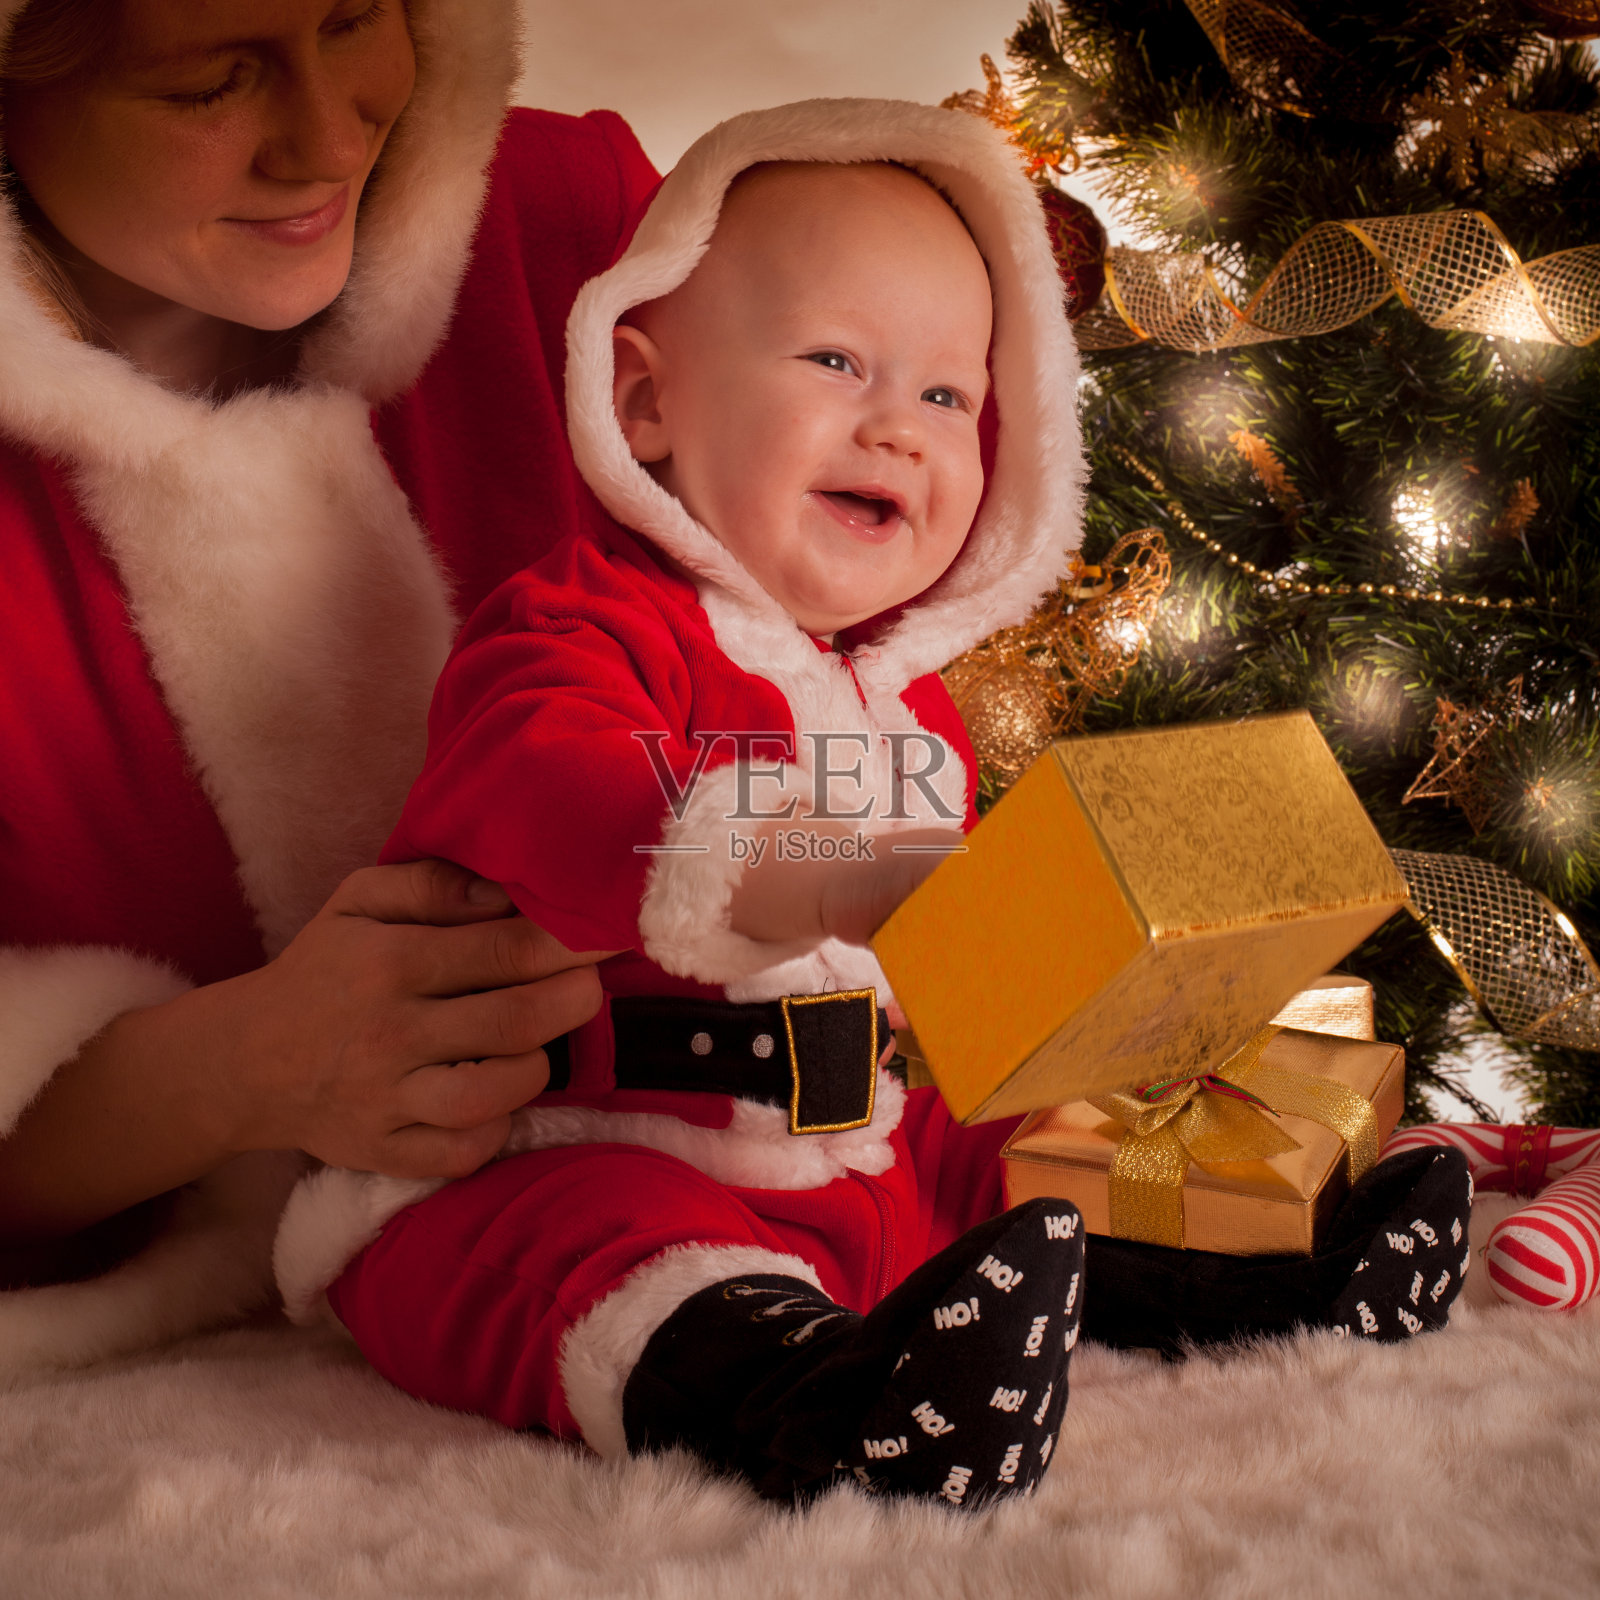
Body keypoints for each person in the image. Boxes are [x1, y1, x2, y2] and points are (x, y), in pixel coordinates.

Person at [281, 106, 1474, 1507]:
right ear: (648, 400)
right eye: (837, 361)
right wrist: (772, 858)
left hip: (856, 1152)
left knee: (1031, 1146)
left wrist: (1116, 977)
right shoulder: (573, 626)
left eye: (950, 398)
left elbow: (945, 975)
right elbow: (539, 790)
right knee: (597, 1247)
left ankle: (1269, 1269)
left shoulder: (914, 712)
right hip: (578, 1142)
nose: (897, 430)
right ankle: (816, 1400)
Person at [0, 0, 658, 1368]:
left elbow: (873, 679)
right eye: (209, 85)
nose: (326, 139)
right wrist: (244, 1069)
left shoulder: (581, 235)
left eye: (356, 15)